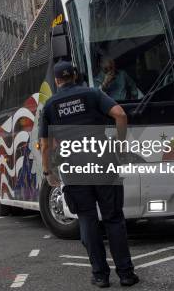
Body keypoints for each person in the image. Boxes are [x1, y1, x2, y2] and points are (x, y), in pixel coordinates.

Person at [39, 61, 139, 288]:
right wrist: (120, 147)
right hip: (103, 161)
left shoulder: (50, 105)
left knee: (87, 219)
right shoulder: (93, 93)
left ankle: (100, 276)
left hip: (74, 167)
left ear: (56, 81)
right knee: (113, 218)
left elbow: (45, 145)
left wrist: (48, 172)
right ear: (75, 75)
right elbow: (120, 115)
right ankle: (125, 274)